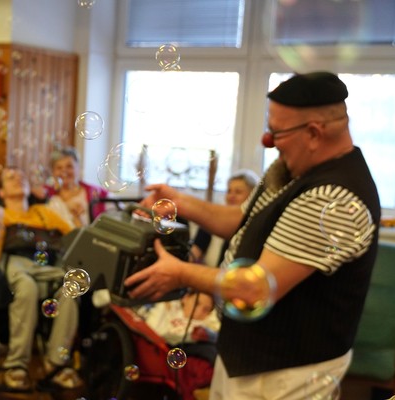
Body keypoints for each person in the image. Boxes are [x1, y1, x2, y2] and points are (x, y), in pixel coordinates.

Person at [124, 71, 381, 399]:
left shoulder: (333, 198)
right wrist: (180, 202)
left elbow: (255, 287)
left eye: (277, 132)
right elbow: (243, 220)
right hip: (244, 355)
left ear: (314, 133)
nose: (268, 141)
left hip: (286, 373)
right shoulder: (290, 171)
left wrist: (180, 274)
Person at [0, 167, 82, 392]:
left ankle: (56, 363)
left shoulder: (44, 213)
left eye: (22, 176)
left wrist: (76, 217)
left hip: (45, 266)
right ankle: (16, 365)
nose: (18, 179)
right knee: (27, 287)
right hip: (16, 264)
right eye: (11, 178)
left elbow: (75, 238)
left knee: (71, 286)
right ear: (1, 192)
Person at [190, 169, 260, 266]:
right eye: (229, 191)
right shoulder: (211, 221)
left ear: (252, 196)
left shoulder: (253, 228)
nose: (231, 196)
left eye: (238, 192)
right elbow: (193, 255)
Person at [43, 147, 108, 227]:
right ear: (53, 172)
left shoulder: (97, 193)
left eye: (69, 166)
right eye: (59, 168)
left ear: (78, 168)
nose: (64, 171)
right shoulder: (46, 194)